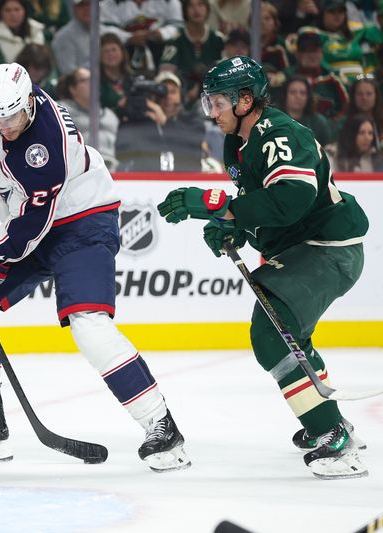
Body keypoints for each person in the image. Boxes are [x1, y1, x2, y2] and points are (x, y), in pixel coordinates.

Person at [0, 62, 191, 471]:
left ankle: (161, 426)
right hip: (30, 221)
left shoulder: (47, 145)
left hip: (82, 221)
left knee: (88, 323)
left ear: (29, 101)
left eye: (12, 117)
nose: (5, 127)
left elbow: (28, 229)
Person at [158, 56, 369, 479]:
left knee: (271, 335)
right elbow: (267, 208)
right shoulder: (235, 142)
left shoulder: (279, 133)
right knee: (287, 333)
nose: (211, 111)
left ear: (245, 100)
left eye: (217, 102)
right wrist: (236, 227)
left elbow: (292, 200)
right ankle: (331, 420)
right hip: (304, 246)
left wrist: (222, 208)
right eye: (209, 102)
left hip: (329, 247)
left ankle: (335, 440)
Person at [115, 71, 206, 171]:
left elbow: (194, 142)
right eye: (162, 93)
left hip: (185, 181)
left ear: (181, 96)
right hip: (148, 182)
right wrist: (125, 114)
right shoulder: (143, 123)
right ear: (153, 97)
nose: (168, 97)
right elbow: (120, 151)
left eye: (173, 92)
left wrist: (165, 122)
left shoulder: (192, 119)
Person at [158, 0, 225, 108]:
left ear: (207, 9)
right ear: (185, 10)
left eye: (200, 4)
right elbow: (165, 74)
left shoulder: (218, 39)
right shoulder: (175, 40)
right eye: (191, 6)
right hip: (182, 98)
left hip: (214, 98)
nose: (196, 10)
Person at [56, 67, 119, 169]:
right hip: (78, 172)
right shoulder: (60, 112)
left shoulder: (110, 115)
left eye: (94, 79)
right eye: (85, 80)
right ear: (72, 89)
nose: (93, 84)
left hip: (114, 173)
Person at [100, 0, 183, 76]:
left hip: (161, 51)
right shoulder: (109, 4)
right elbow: (103, 30)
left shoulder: (169, 2)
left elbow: (179, 27)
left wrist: (160, 33)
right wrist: (129, 37)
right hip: (125, 53)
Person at [0, 0, 45, 65]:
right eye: (7, 10)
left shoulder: (36, 31)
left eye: (17, 9)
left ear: (25, 11)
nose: (13, 14)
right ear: (0, 13)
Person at [279, 75, 333, 145]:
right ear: (284, 95)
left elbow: (327, 149)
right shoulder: (274, 120)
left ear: (308, 97)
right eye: (293, 92)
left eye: (302, 93)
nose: (298, 96)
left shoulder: (319, 122)